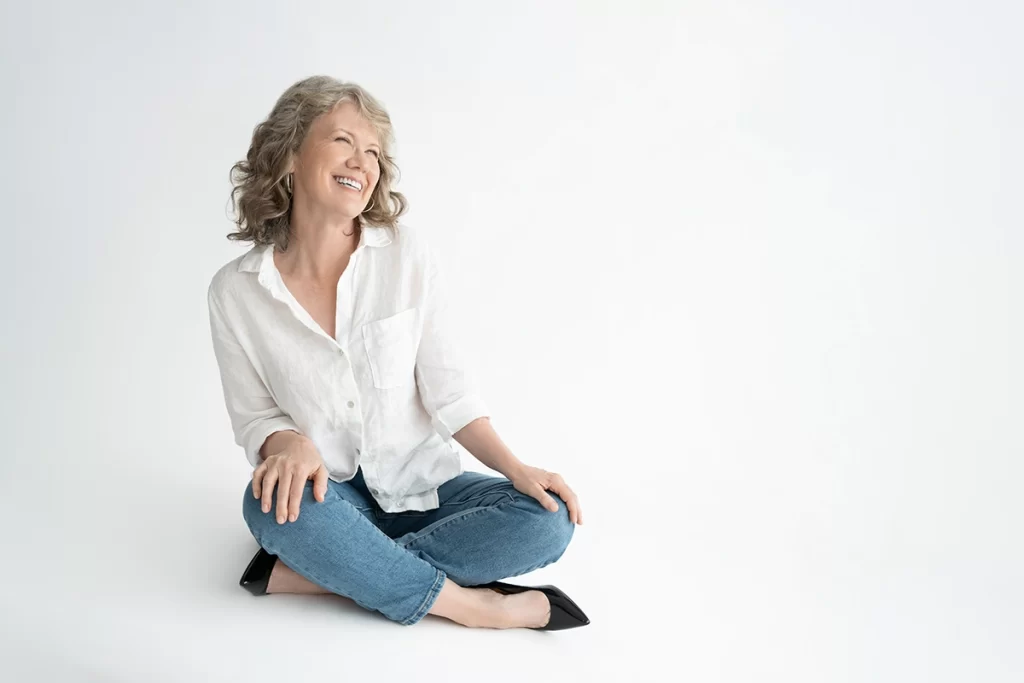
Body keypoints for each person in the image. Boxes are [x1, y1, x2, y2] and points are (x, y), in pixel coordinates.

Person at [206, 75, 589, 630]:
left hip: (426, 489)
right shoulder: (234, 291)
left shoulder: (407, 257)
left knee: (547, 522)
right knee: (268, 507)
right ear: (288, 154)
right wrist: (290, 444)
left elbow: (450, 393)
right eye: (343, 141)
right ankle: (472, 606)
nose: (362, 163)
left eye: (373, 153)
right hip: (331, 494)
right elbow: (255, 417)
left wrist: (516, 468)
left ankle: (323, 574)